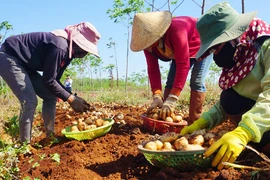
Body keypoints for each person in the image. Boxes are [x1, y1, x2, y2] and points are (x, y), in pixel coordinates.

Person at [180, 1, 270, 170]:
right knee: (230, 98)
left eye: (217, 47)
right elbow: (237, 96)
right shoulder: (241, 55)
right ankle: (257, 143)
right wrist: (204, 122)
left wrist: (245, 132)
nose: (215, 55)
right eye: (212, 50)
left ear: (235, 36)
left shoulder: (266, 46)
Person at [0, 22, 101, 145]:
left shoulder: (68, 53)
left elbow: (55, 80)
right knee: (30, 101)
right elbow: (48, 80)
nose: (84, 53)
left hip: (26, 65)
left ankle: (50, 136)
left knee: (50, 96)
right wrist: (71, 100)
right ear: (77, 42)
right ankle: (24, 146)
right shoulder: (60, 46)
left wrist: (73, 96)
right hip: (9, 57)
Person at [130, 11, 212, 123]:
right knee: (171, 81)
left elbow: (183, 64)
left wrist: (173, 98)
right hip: (181, 50)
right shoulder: (148, 45)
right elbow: (153, 69)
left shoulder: (176, 31)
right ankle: (166, 118)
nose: (147, 45)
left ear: (156, 35)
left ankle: (195, 122)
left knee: (196, 81)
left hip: (202, 42)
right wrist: (157, 95)